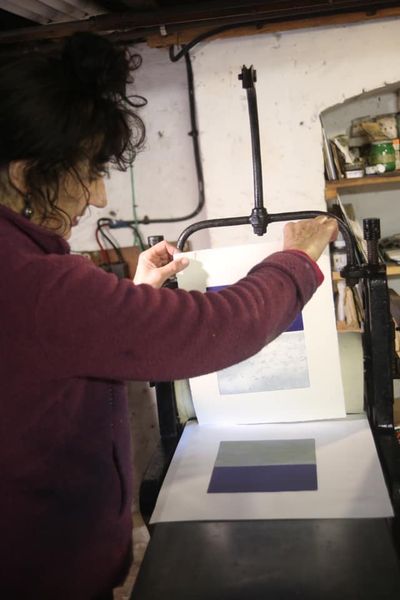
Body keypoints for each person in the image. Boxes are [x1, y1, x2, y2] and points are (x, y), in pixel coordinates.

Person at [0, 32, 338, 600]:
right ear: (25, 174)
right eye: (88, 172)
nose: (99, 197)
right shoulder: (36, 282)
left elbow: (42, 347)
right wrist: (298, 261)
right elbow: (221, 327)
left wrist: (135, 296)